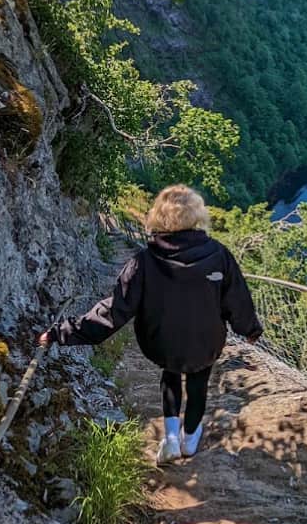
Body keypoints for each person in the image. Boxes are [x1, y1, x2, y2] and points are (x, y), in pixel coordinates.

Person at [39, 185, 263, 464]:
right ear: (197, 216)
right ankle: (190, 439)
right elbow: (237, 301)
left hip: (162, 342)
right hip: (205, 342)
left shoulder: (143, 261)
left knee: (171, 374)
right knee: (198, 382)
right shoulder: (219, 255)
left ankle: (169, 438)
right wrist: (250, 330)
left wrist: (62, 333)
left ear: (160, 217)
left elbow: (114, 310)